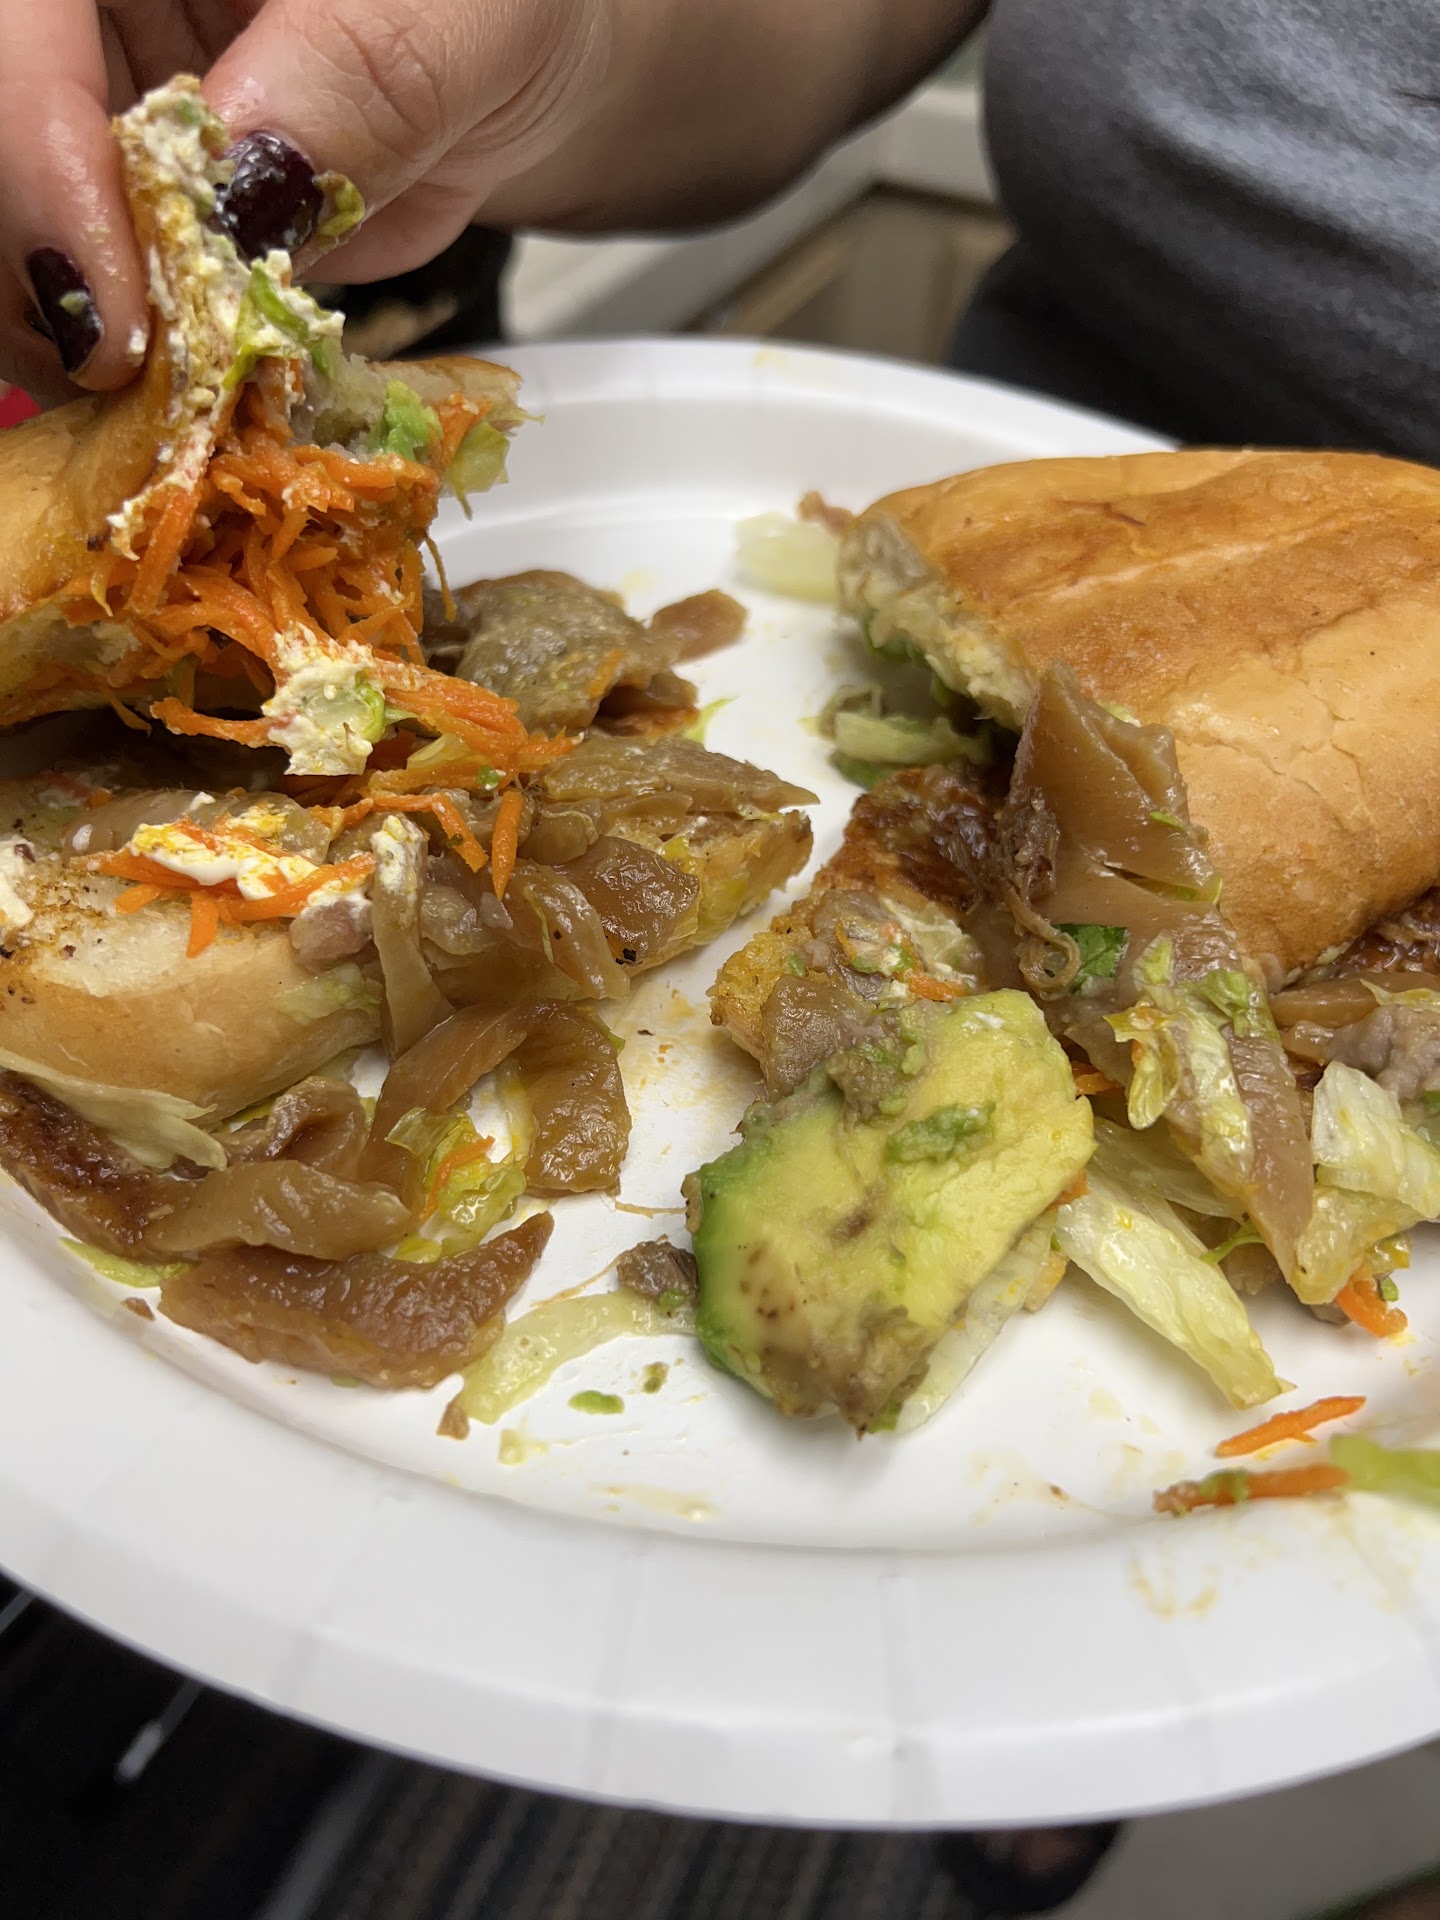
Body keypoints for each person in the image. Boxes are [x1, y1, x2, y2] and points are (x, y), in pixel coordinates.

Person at [3, 4, 1439, 1915]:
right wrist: (543, 53)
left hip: (1283, 737)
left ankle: (1014, 1767)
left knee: (1058, 1689)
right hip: (1059, 518)